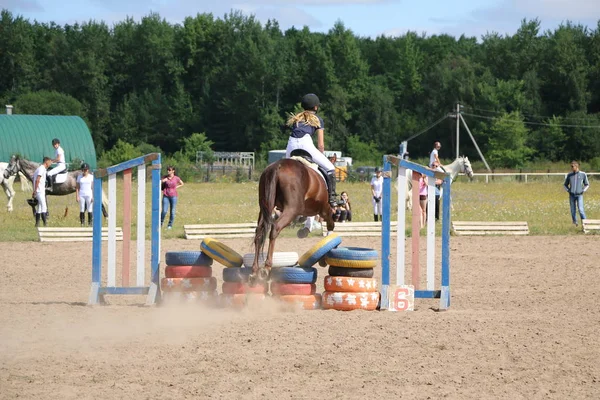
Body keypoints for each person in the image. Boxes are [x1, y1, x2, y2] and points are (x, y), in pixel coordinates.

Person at [286, 93, 337, 207]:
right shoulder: (318, 119)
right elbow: (321, 145)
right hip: (306, 145)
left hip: (291, 145)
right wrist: (321, 156)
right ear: (315, 107)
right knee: (330, 168)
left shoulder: (296, 118)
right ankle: (332, 198)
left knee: (285, 169)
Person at [563, 161, 590, 227]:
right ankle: (575, 223)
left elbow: (587, 184)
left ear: (577, 166)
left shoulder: (583, 174)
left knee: (581, 210)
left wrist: (583, 190)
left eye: (573, 166)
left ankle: (585, 224)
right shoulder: (569, 175)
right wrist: (569, 190)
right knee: (573, 210)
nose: (572, 168)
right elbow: (565, 185)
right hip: (572, 195)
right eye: (571, 166)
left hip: (579, 195)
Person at [32, 157, 52, 227]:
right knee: (44, 207)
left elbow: (33, 179)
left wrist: (34, 190)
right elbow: (37, 180)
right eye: (50, 162)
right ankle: (45, 224)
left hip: (39, 190)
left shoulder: (40, 169)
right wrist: (35, 190)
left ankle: (37, 224)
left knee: (39, 207)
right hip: (39, 190)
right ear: (47, 162)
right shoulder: (41, 169)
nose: (51, 163)